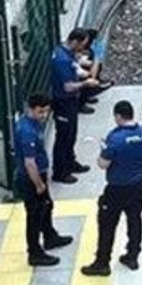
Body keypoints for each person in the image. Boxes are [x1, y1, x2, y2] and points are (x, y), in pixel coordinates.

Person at [80, 101, 142, 277]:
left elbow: (103, 164)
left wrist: (102, 149)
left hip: (117, 189)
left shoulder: (115, 138)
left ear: (118, 116)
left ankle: (102, 262)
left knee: (107, 225)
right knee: (135, 219)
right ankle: (132, 255)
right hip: (138, 185)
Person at [14, 94, 72, 267]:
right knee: (34, 215)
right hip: (32, 179)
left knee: (46, 206)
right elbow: (29, 163)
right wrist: (39, 184)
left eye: (46, 111)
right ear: (30, 109)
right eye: (40, 111)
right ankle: (34, 252)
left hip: (39, 174)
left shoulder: (34, 124)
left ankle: (50, 236)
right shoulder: (27, 131)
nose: (44, 115)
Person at [51, 28, 99, 183]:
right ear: (74, 41)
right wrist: (86, 83)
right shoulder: (61, 60)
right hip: (63, 101)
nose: (82, 49)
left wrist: (80, 72)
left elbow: (74, 66)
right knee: (64, 137)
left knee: (71, 135)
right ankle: (60, 172)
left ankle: (70, 163)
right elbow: (67, 86)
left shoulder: (63, 52)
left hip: (69, 101)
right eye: (82, 45)